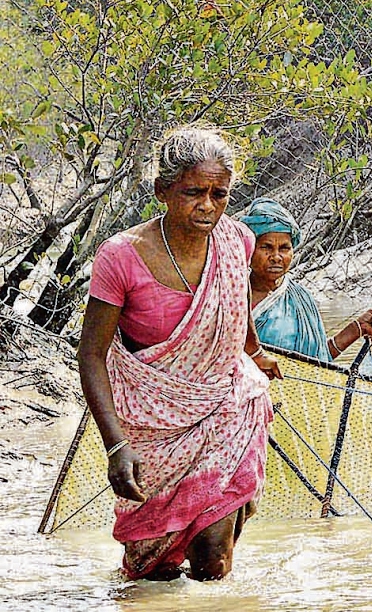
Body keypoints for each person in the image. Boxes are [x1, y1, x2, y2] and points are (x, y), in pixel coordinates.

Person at [77, 124, 279, 582]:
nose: (208, 206)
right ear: (163, 190)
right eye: (193, 192)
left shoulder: (238, 242)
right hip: (151, 426)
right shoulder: (121, 257)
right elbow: (92, 355)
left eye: (220, 194)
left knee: (214, 559)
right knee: (153, 570)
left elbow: (234, 307)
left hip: (227, 410)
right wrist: (116, 445)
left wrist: (254, 352)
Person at [240, 197, 372, 360]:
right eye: (266, 247)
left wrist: (357, 329)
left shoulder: (301, 299)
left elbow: (316, 361)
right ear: (250, 249)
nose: (276, 257)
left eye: (284, 248)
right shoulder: (230, 294)